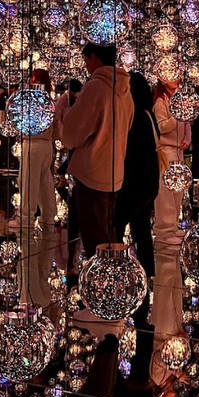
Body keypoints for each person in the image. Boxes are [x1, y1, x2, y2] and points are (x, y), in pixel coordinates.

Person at [61, 43, 134, 257]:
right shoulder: (124, 91)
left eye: (85, 59)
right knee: (108, 232)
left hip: (91, 172)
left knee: (94, 236)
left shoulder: (96, 87)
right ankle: (113, 277)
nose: (85, 65)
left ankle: (103, 282)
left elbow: (73, 133)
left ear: (93, 58)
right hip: (114, 171)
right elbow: (127, 125)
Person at [114, 72, 159, 386]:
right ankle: (147, 270)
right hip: (147, 186)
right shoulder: (146, 116)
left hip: (137, 186)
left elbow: (132, 157)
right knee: (141, 230)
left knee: (118, 226)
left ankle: (116, 274)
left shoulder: (138, 119)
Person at [13, 69, 60, 314]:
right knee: (43, 184)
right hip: (46, 146)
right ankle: (48, 218)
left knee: (30, 183)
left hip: (34, 145)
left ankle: (27, 220)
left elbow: (20, 122)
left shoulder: (35, 100)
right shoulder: (50, 101)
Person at [153, 78, 191, 244]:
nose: (175, 80)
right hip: (166, 151)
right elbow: (161, 127)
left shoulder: (179, 99)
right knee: (166, 193)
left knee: (178, 191)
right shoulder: (160, 103)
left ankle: (173, 226)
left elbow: (187, 120)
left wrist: (187, 138)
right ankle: (164, 230)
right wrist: (176, 115)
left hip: (178, 151)